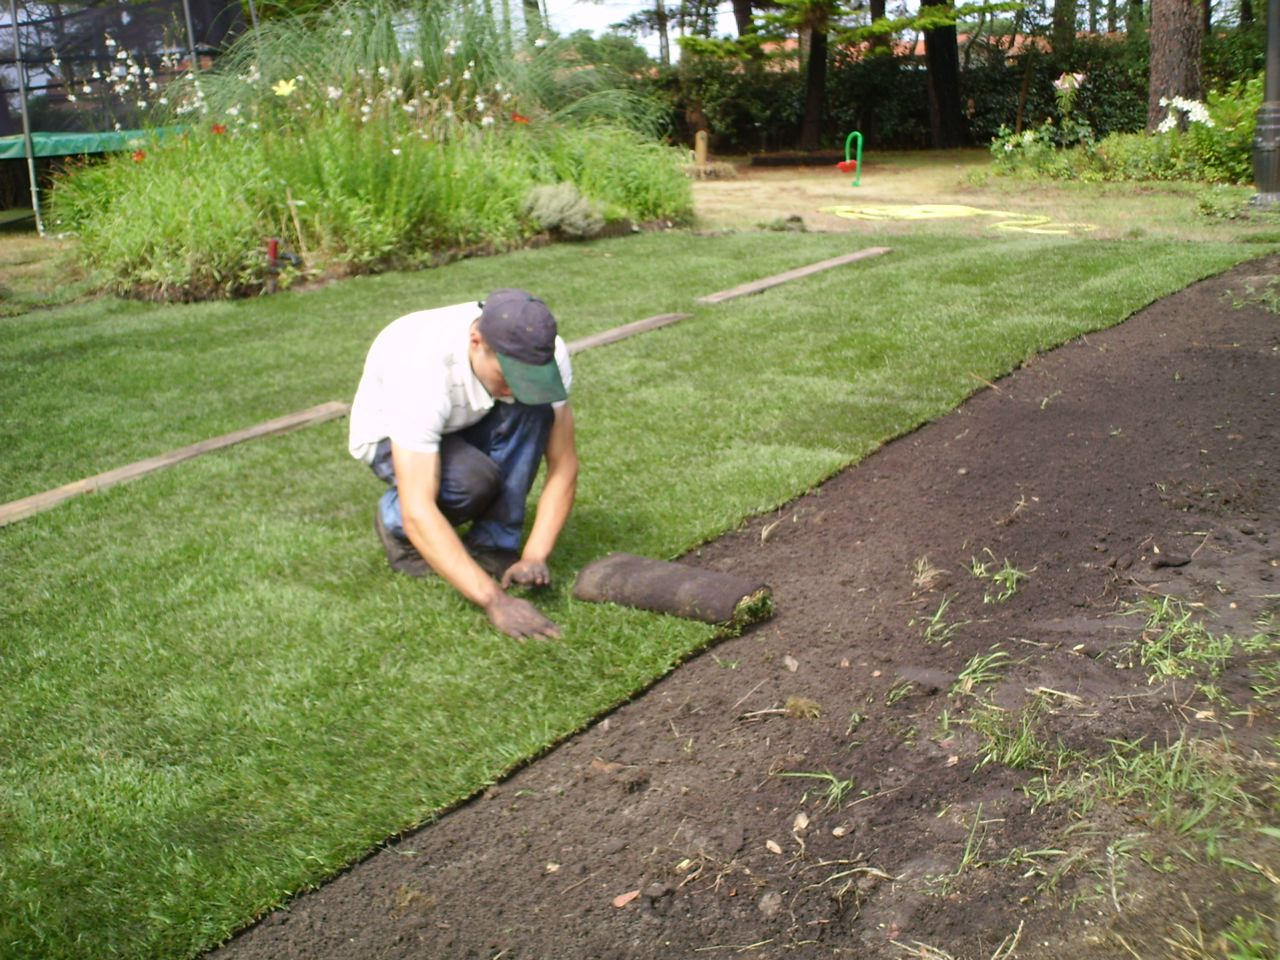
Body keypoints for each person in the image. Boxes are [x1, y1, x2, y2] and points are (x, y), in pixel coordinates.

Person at [348, 289, 577, 640]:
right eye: (509, 376)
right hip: (389, 437)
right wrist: (494, 601)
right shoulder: (420, 368)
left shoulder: (546, 353)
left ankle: (494, 544)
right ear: (476, 341)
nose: (517, 388)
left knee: (534, 409)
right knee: (470, 482)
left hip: (467, 415)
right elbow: (419, 508)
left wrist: (535, 555)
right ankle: (391, 520)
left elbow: (563, 467)